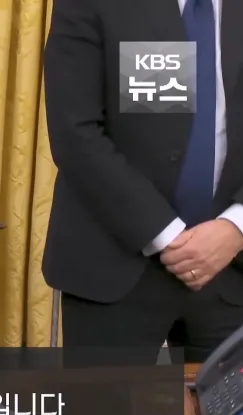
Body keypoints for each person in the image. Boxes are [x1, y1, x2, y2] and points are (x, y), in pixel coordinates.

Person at [43, 0, 243, 362]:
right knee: (106, 401)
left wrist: (235, 226)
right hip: (115, 266)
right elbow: (76, 133)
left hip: (231, 269)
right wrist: (167, 234)